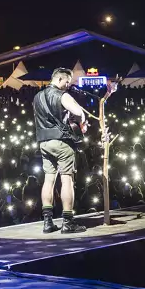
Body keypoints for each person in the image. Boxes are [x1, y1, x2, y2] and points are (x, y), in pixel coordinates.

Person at [33, 67, 91, 234]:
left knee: (49, 180)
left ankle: (47, 222)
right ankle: (68, 222)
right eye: (67, 82)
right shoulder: (61, 95)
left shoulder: (37, 97)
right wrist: (82, 122)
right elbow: (79, 111)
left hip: (43, 142)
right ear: (60, 79)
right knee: (67, 180)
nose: (68, 85)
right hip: (61, 142)